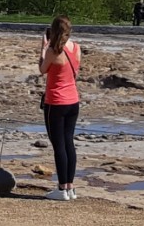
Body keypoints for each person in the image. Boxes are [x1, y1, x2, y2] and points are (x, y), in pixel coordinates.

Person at [37, 15, 81, 201]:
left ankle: (62, 188)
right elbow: (76, 73)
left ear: (54, 31)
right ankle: (70, 187)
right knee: (69, 142)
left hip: (55, 102)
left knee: (59, 146)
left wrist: (42, 48)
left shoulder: (53, 51)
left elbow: (42, 69)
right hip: (73, 101)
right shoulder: (76, 48)